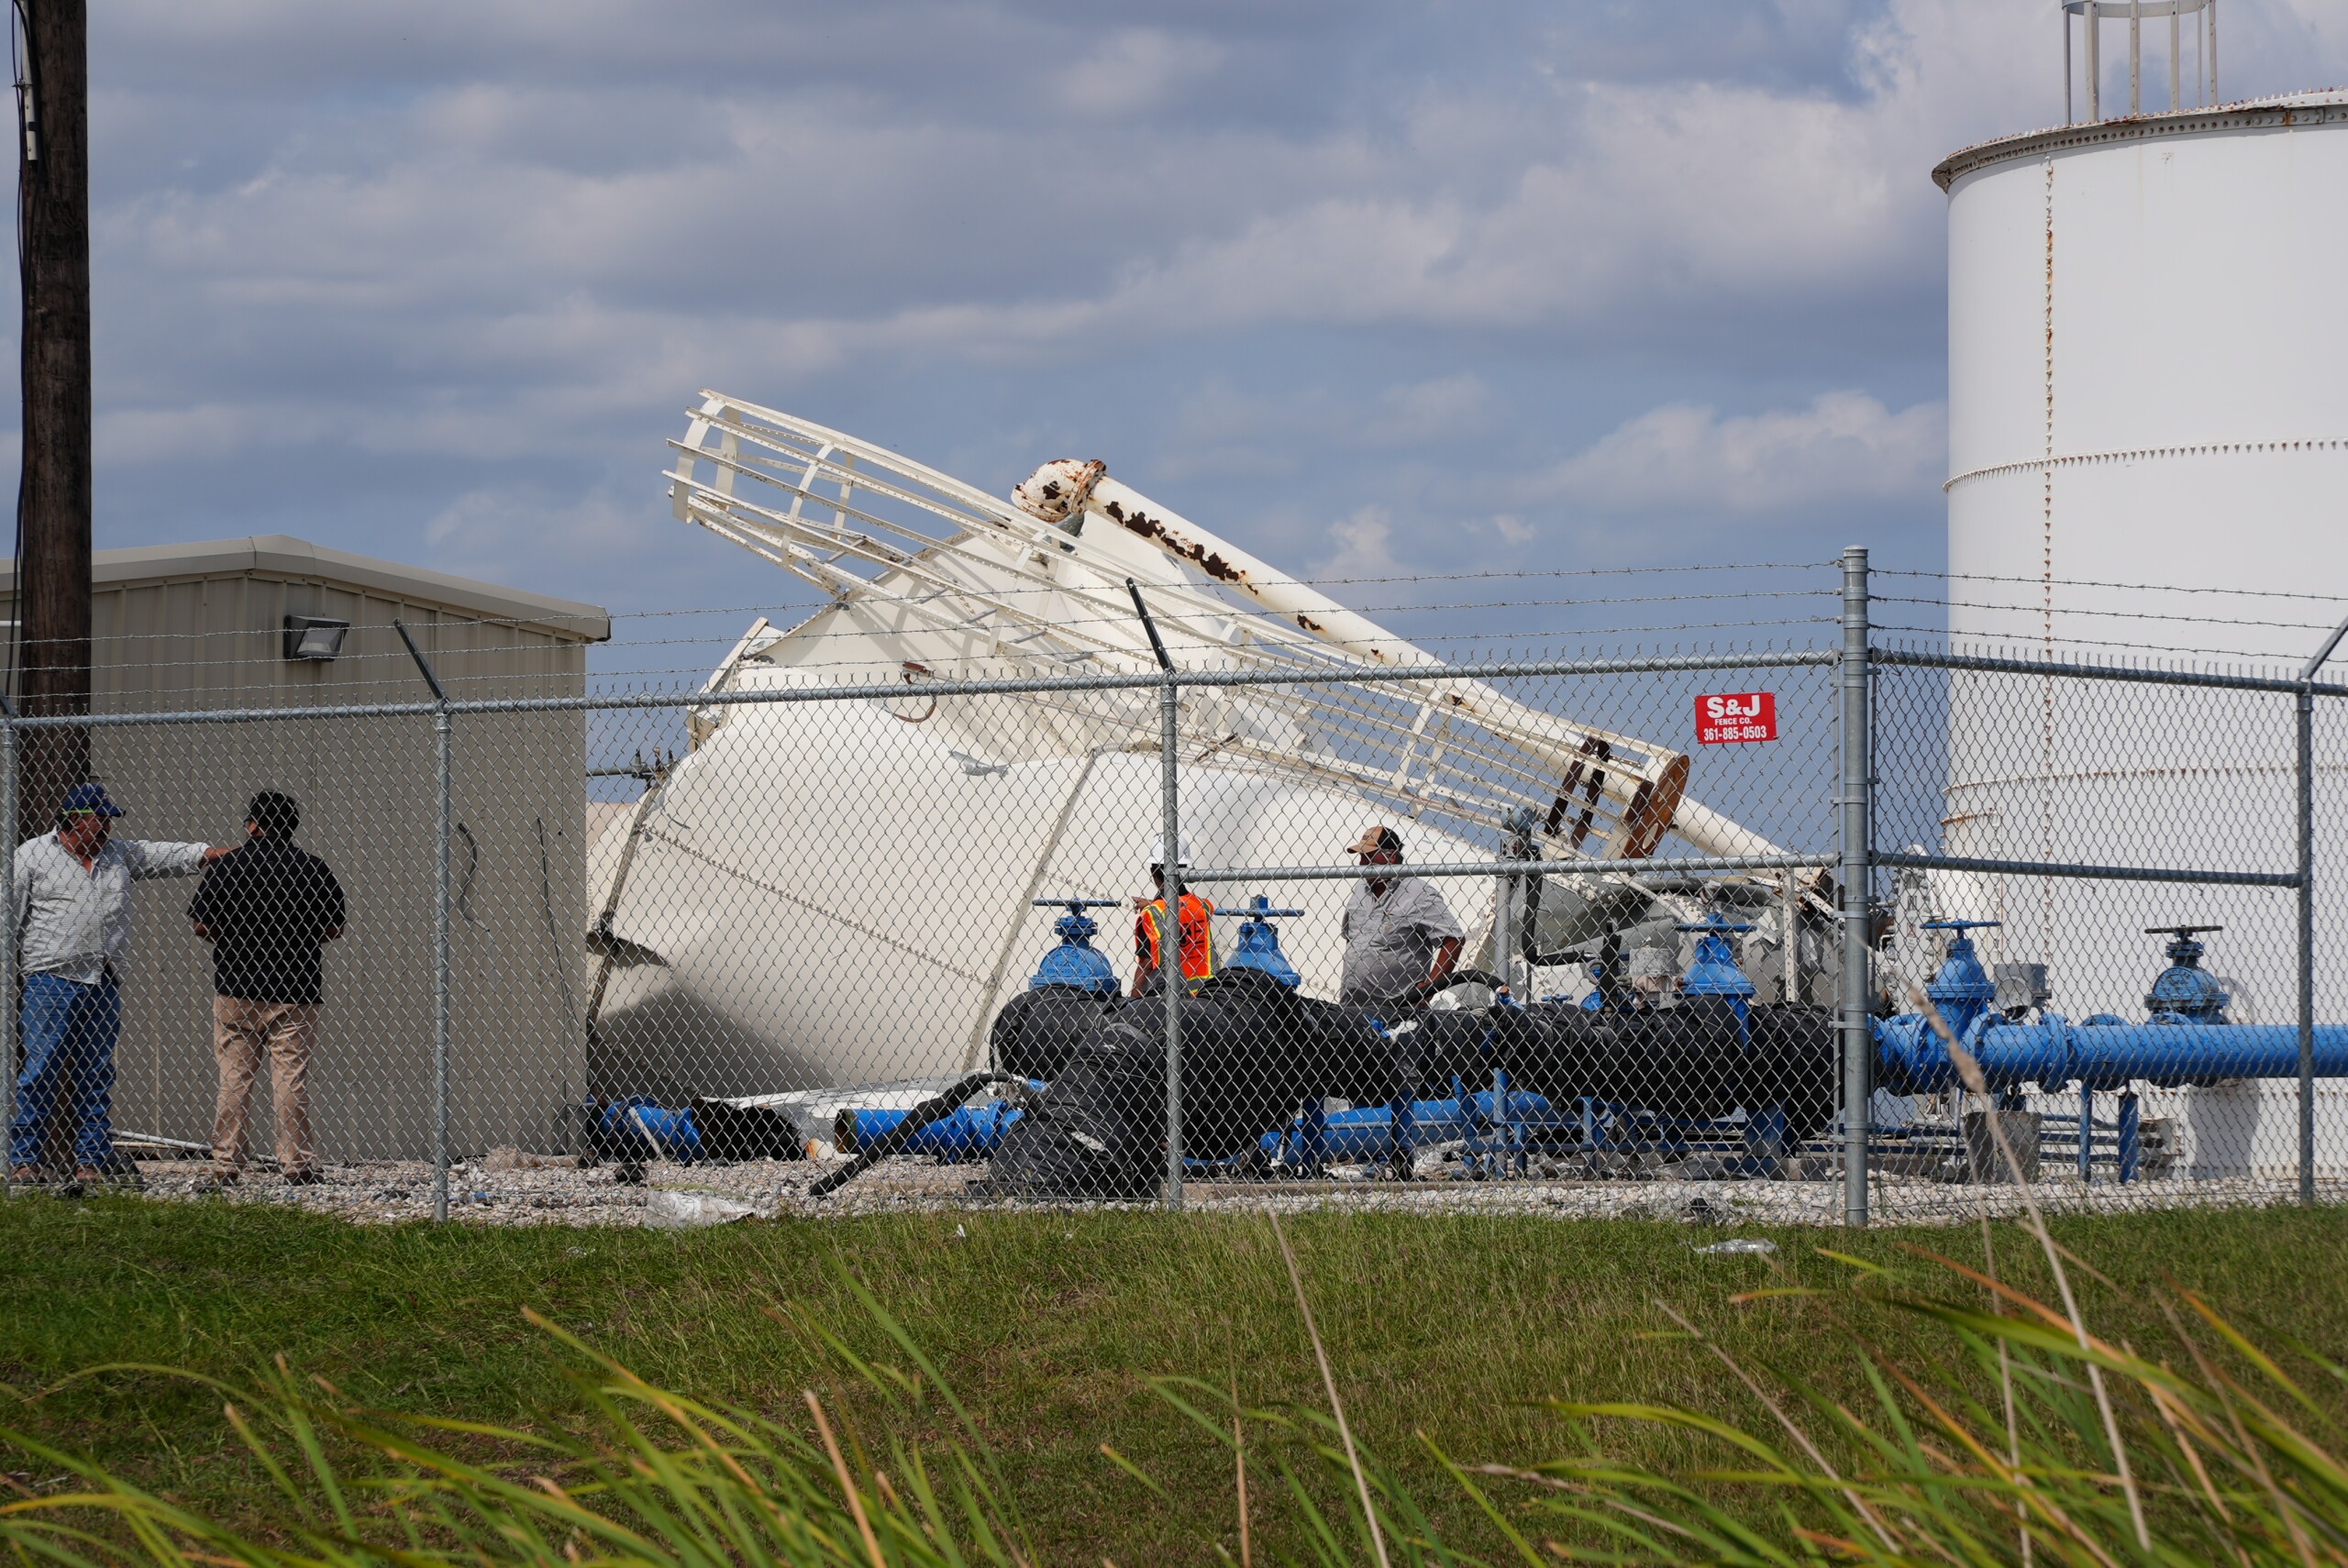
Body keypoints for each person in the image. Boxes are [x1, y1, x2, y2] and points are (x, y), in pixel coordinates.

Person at [8, 784, 230, 1187]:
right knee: (41, 1071)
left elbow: (165, 855)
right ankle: (25, 1162)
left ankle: (89, 1163)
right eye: (102, 818)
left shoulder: (118, 855)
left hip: (102, 979)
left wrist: (212, 853)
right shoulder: (33, 855)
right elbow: (10, 915)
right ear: (77, 820)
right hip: (50, 980)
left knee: (96, 1073)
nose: (109, 826)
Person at [189, 790, 346, 1188]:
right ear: (291, 826)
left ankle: (226, 1163)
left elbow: (202, 925)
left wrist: (234, 939)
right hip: (296, 988)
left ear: (254, 824)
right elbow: (333, 927)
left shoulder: (228, 867)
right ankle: (296, 1163)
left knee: (235, 1076)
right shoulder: (312, 868)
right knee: (290, 1076)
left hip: (236, 987)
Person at [1337, 825, 1465, 1007]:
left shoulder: (1417, 893)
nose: (1362, 864)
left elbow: (1453, 940)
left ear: (1391, 856)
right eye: (1361, 857)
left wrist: (1429, 989)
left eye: (1369, 856)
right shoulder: (1360, 889)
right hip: (1352, 1006)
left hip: (1397, 1010)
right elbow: (1351, 938)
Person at [1131, 838, 1215, 997]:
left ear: (1153, 871)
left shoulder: (1152, 914)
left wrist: (1133, 1001)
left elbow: (1146, 963)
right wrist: (1154, 902)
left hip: (1174, 998)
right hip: (1208, 993)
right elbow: (1181, 906)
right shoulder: (1202, 906)